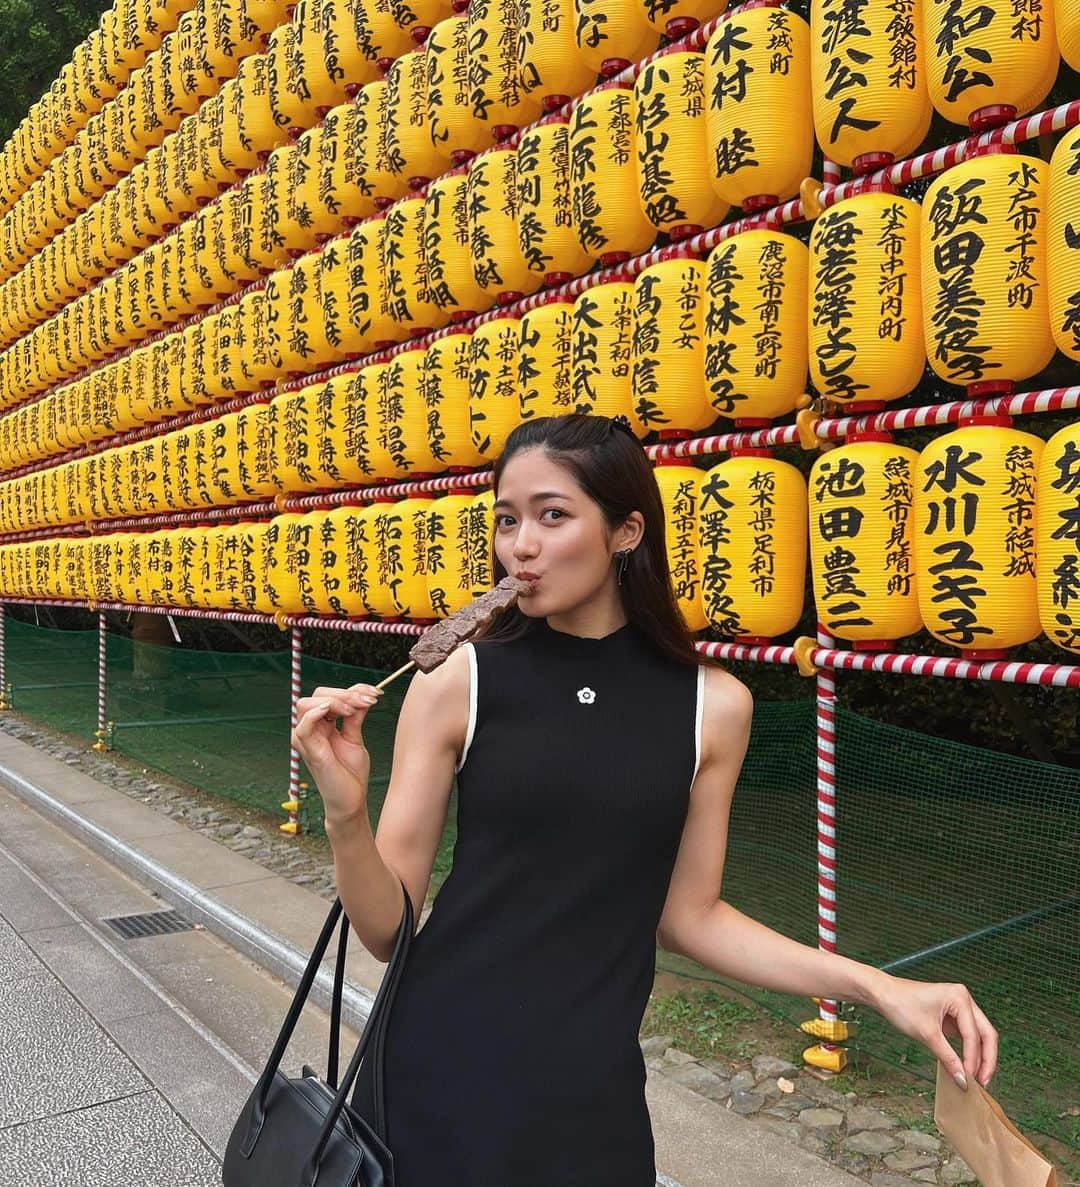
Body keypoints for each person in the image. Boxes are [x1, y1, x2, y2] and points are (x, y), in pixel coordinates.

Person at [291, 413, 998, 1187]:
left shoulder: (713, 707)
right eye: (506, 519)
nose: (520, 544)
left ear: (626, 531)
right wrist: (345, 812)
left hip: (590, 1096)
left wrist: (877, 985)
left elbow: (691, 914)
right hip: (436, 1067)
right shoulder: (458, 680)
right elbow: (389, 930)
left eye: (551, 515)